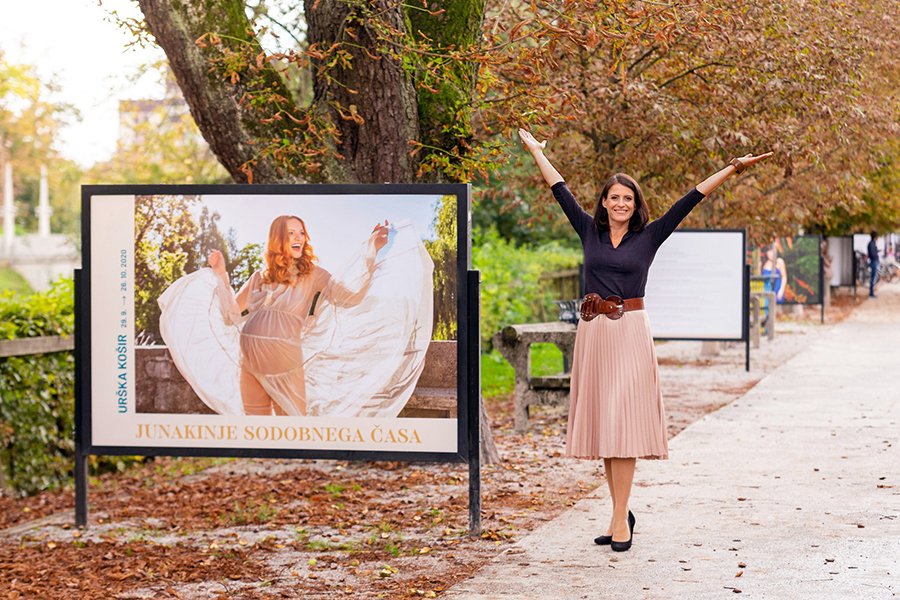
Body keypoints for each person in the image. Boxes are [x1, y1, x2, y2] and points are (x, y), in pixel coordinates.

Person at [519, 127, 771, 552]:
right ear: (604, 202)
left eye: (628, 199)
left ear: (636, 206)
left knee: (625, 425)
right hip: (595, 334)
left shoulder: (650, 236)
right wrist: (536, 151)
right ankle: (620, 513)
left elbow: (691, 199)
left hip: (631, 332)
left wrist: (731, 168)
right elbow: (557, 187)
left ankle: (620, 518)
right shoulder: (588, 231)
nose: (620, 203)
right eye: (614, 197)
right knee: (605, 426)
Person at [158, 214, 434, 418]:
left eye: (301, 233)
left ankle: (303, 479)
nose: (299, 238)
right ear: (278, 239)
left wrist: (371, 254)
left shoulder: (313, 274)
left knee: (295, 425)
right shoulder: (259, 277)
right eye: (292, 233)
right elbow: (232, 315)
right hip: (249, 360)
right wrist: (220, 274)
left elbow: (348, 298)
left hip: (284, 355)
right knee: (258, 427)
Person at [867, 231, 879, 297]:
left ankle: (872, 293)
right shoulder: (871, 243)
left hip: (874, 261)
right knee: (873, 277)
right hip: (873, 261)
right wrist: (876, 255)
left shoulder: (872, 243)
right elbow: (872, 253)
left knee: (873, 277)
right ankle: (871, 293)